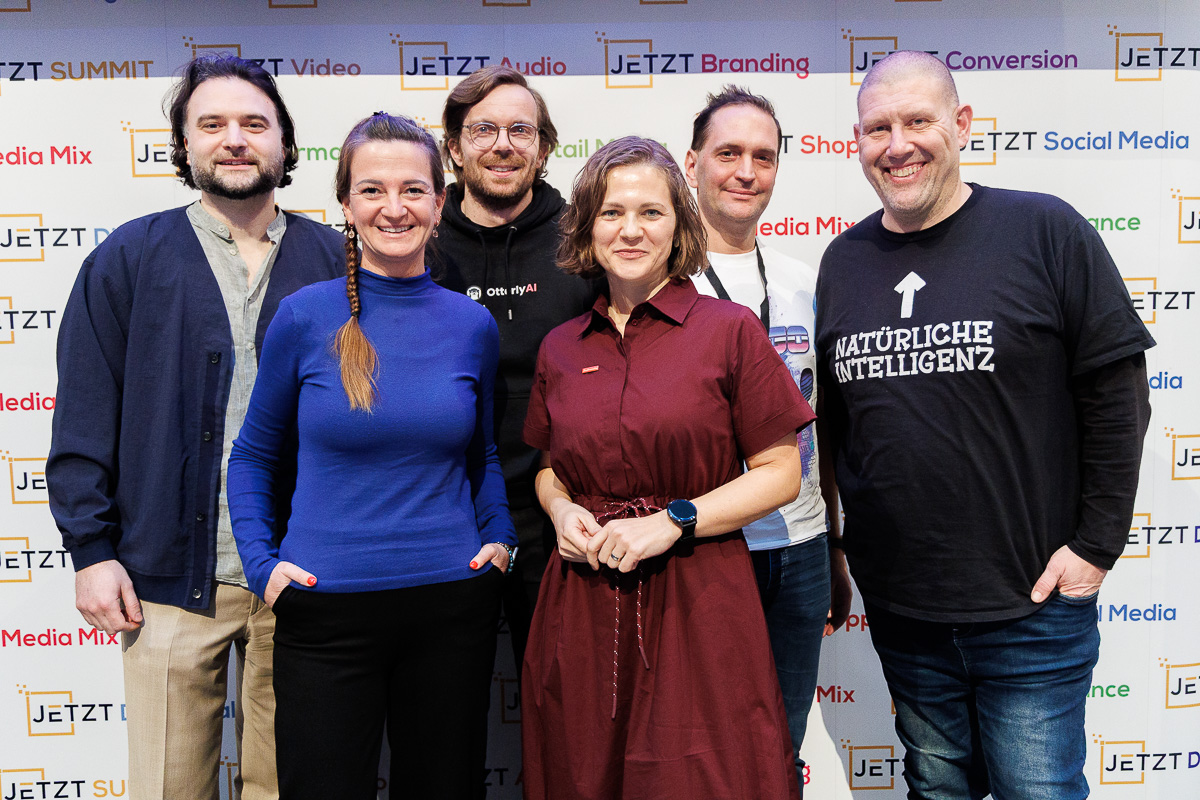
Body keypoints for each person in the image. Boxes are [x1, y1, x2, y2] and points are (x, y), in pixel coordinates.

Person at [815, 51, 1154, 799]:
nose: (897, 145)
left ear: (962, 124)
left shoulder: (1044, 229)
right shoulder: (844, 260)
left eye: (917, 121)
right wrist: (838, 544)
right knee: (936, 789)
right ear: (857, 140)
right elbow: (837, 422)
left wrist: (1095, 548)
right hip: (903, 610)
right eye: (877, 128)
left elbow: (1118, 396)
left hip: (1032, 608)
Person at [45, 55, 344, 800]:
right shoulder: (128, 259)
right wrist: (91, 550)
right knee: (167, 787)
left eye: (254, 123)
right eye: (212, 124)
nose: (234, 139)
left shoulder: (339, 263)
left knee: (293, 787)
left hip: (305, 577)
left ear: (285, 142)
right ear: (183, 145)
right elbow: (85, 411)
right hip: (165, 581)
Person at [226, 112, 516, 800]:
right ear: (346, 205)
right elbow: (253, 457)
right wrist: (262, 567)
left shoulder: (471, 324)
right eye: (373, 190)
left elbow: (483, 455)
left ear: (439, 203)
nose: (394, 208)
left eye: (413, 190)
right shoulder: (303, 316)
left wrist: (501, 538)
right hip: (323, 611)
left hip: (450, 607)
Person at [521, 136, 810, 800]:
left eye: (651, 212)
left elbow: (781, 471)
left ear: (680, 225)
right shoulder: (561, 347)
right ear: (587, 226)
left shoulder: (730, 330)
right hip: (583, 602)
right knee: (581, 774)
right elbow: (549, 469)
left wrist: (675, 519)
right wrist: (561, 510)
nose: (630, 230)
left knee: (704, 777)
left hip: (699, 598)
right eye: (611, 212)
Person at [684, 85, 853, 794]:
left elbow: (826, 421)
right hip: (705, 550)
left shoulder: (803, 282)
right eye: (728, 153)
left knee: (781, 748)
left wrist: (834, 544)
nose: (746, 172)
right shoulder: (659, 285)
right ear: (692, 163)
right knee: (704, 751)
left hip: (802, 550)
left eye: (764, 156)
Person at [431, 66, 598, 670]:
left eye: (520, 130)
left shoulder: (586, 238)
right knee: (442, 705)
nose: (503, 145)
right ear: (454, 148)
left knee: (562, 702)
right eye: (483, 130)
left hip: (561, 510)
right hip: (443, 508)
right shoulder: (416, 239)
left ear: (544, 148)